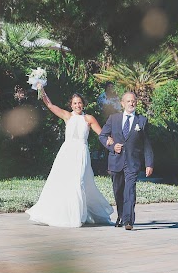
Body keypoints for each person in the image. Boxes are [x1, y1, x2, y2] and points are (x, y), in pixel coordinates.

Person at [26, 90, 115, 227]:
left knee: (78, 181)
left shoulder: (89, 119)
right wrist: (41, 90)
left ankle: (77, 215)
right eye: (75, 103)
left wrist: (110, 141)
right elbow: (50, 105)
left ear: (83, 105)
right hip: (67, 153)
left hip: (81, 153)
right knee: (62, 181)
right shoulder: (67, 116)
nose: (77, 105)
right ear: (71, 105)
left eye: (79, 103)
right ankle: (65, 214)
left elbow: (101, 134)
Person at [98, 91, 154, 230]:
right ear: (122, 104)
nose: (131, 103)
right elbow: (102, 136)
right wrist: (111, 146)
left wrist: (149, 163)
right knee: (118, 191)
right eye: (128, 101)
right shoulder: (113, 119)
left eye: (133, 101)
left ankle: (128, 221)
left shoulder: (142, 121)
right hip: (116, 161)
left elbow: (147, 144)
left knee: (129, 190)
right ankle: (121, 215)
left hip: (132, 162)